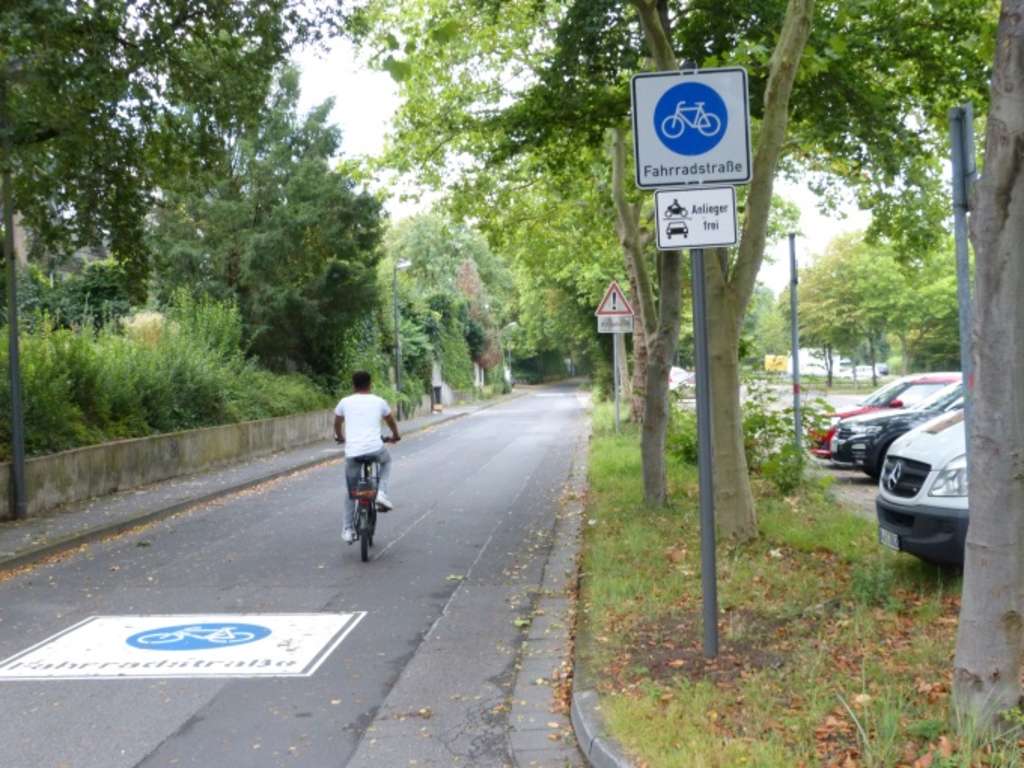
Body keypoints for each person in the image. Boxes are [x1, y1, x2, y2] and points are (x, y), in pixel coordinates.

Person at [333, 371, 401, 544]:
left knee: (351, 490)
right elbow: (390, 420)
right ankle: (382, 493)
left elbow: (337, 422)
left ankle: (348, 529)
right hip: (375, 449)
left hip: (353, 453)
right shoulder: (379, 401)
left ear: (353, 385)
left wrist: (340, 437)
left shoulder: (344, 402)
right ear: (370, 384)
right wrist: (395, 435)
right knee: (386, 461)